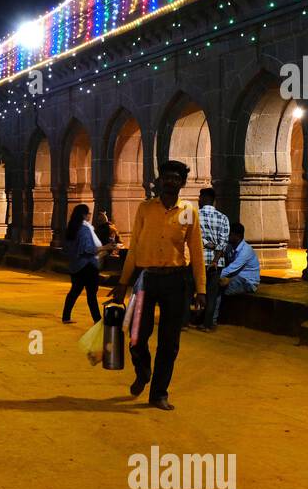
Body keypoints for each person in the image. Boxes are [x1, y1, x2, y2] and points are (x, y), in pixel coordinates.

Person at [110, 160, 206, 410]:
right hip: (146, 280)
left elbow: (196, 253)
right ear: (159, 181)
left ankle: (159, 393)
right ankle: (143, 371)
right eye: (166, 177)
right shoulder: (145, 209)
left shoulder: (188, 212)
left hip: (176, 281)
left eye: (176, 178)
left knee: (169, 341)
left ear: (182, 183)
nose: (171, 181)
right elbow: (135, 249)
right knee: (136, 335)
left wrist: (202, 290)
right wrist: (123, 282)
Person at [209, 223, 259, 327]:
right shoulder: (231, 247)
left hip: (248, 282)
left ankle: (211, 321)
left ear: (237, 236)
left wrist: (213, 276)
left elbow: (232, 269)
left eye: (229, 234)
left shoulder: (246, 251)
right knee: (216, 284)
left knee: (217, 288)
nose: (227, 236)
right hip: (235, 278)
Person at [62, 203, 103, 323]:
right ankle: (97, 319)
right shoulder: (84, 229)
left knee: (74, 291)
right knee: (91, 294)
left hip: (75, 265)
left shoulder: (71, 228)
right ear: (84, 215)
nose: (90, 215)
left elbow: (66, 248)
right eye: (88, 213)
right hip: (87, 265)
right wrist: (105, 247)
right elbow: (88, 249)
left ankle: (66, 316)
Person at [195, 187, 229, 331]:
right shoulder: (223, 217)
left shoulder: (195, 216)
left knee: (194, 290)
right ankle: (207, 324)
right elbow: (224, 242)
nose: (198, 200)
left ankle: (189, 320)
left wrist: (207, 244)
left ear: (203, 199)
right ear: (214, 200)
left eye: (199, 198)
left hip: (199, 259)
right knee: (212, 294)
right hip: (217, 262)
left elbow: (195, 239)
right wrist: (215, 260)